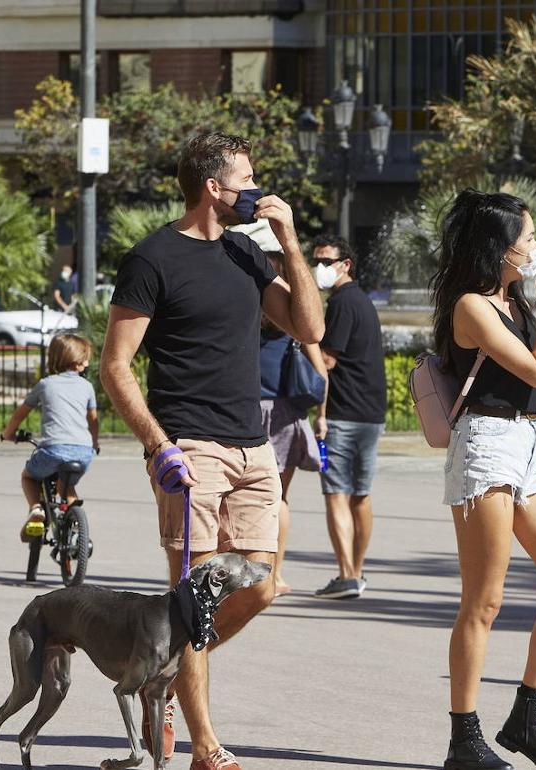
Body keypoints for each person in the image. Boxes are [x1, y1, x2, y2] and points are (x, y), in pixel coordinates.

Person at [100, 132, 323, 770]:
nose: (258, 192)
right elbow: (116, 366)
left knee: (261, 586)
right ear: (213, 188)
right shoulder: (152, 259)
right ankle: (205, 747)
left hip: (254, 448)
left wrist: (290, 247)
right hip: (189, 447)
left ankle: (161, 673)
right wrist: (158, 445)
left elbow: (310, 328)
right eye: (247, 181)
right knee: (193, 598)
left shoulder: (249, 257)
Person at [431, 190, 536, 770]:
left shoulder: (518, 304)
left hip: (531, 445)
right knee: (484, 600)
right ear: (499, 248)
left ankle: (528, 715)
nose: (534, 246)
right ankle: (463, 738)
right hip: (486, 448)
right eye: (526, 238)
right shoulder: (472, 307)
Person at [252, 227, 328, 599]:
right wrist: (322, 416)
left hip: (246, 409)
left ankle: (241, 575)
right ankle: (275, 575)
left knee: (239, 496)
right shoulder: (292, 316)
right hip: (284, 413)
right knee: (278, 497)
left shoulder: (247, 308)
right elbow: (321, 373)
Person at [312, 233, 388, 600]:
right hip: (371, 412)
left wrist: (320, 414)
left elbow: (327, 361)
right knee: (360, 494)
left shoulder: (342, 302)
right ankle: (356, 572)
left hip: (342, 413)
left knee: (337, 493)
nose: (319, 268)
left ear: (346, 266)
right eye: (316, 261)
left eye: (326, 262)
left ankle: (347, 575)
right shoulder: (364, 302)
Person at [0, 333, 99, 540]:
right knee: (66, 485)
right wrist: (95, 443)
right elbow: (93, 420)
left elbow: (20, 414)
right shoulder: (87, 387)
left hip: (53, 450)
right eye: (85, 359)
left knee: (28, 476)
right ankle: (79, 535)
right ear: (78, 362)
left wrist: (8, 434)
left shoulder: (45, 384)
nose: (88, 363)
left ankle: (36, 509)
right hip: (83, 452)